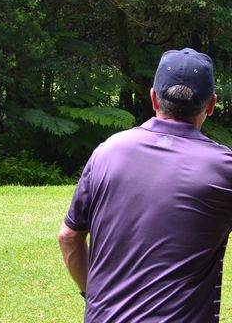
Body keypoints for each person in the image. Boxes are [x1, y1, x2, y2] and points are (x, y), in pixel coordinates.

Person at [58, 47, 232, 322]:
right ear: (211, 105)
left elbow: (69, 237)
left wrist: (92, 295)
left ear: (153, 98)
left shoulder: (107, 151)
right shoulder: (224, 168)